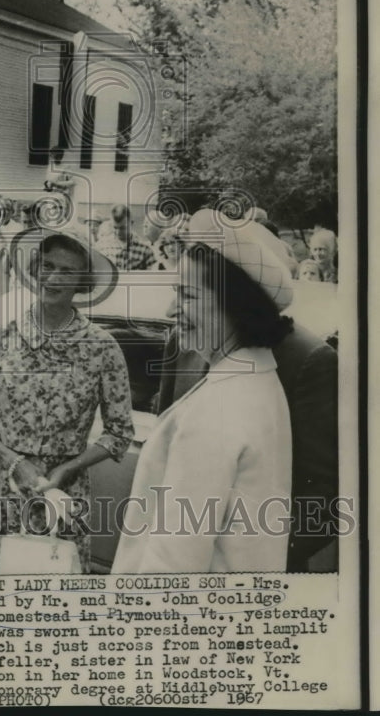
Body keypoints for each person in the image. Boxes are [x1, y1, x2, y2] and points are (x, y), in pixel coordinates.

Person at [113, 210, 295, 573]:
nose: (170, 310)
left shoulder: (219, 407)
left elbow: (172, 563)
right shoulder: (259, 382)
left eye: (188, 296)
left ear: (236, 308)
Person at [0, 231, 134, 575]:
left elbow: (119, 432)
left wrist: (68, 469)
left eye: (66, 272)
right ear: (34, 270)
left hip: (64, 497)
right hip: (0, 491)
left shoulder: (102, 347)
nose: (53, 278)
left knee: (51, 604)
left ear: (82, 283)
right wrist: (14, 462)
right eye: (47, 266)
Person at [96, 204, 157, 271]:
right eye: (115, 227)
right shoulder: (101, 246)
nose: (118, 232)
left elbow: (152, 277)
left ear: (131, 223)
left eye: (123, 228)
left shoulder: (145, 249)